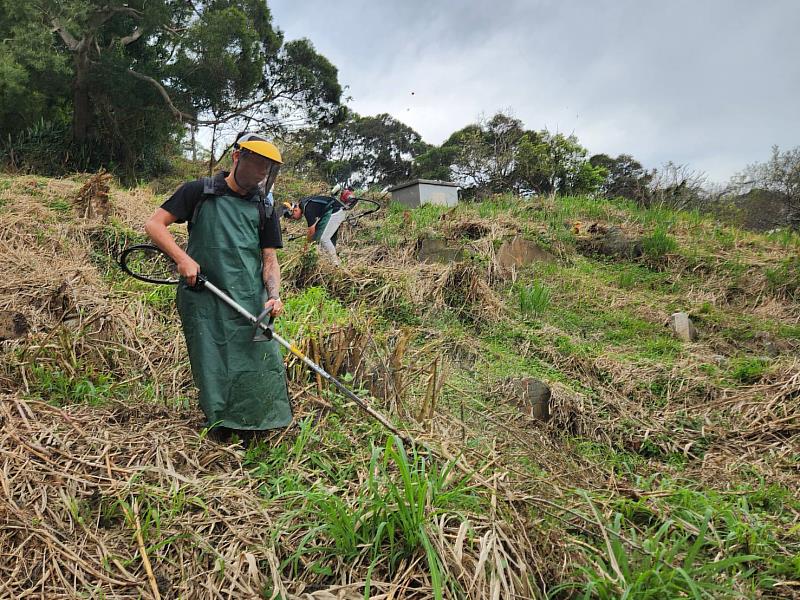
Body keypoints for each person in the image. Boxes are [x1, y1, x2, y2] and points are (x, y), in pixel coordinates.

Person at [144, 132, 292, 440]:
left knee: (260, 359)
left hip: (250, 296)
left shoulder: (264, 208)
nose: (260, 176)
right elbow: (154, 225)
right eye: (256, 167)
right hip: (204, 295)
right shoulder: (200, 191)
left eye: (266, 170)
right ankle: (220, 426)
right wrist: (183, 260)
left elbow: (269, 260)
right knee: (213, 361)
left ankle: (258, 424)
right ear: (237, 158)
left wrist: (274, 295)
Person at [284, 185, 356, 265]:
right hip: (332, 212)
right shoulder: (305, 204)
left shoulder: (307, 208)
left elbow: (311, 230)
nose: (295, 219)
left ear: (295, 210)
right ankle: (325, 262)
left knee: (324, 239)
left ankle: (336, 264)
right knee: (320, 236)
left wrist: (306, 246)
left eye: (293, 217)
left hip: (336, 211)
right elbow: (314, 229)